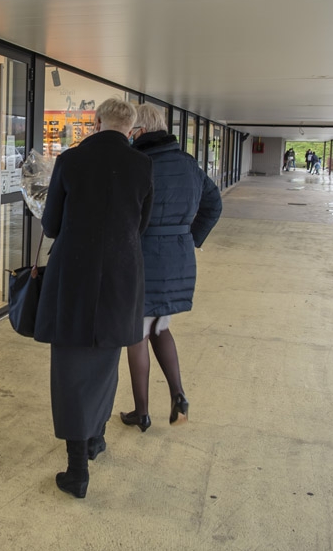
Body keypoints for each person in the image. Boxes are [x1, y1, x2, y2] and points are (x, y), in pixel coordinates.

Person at [34, 98, 155, 499]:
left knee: (70, 368)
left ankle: (77, 471)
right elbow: (141, 225)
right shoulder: (143, 165)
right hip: (121, 276)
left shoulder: (71, 161)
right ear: (131, 128)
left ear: (97, 121)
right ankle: (95, 439)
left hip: (74, 276)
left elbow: (52, 225)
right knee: (106, 362)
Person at [120, 104, 222, 433]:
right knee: (159, 326)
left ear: (141, 130)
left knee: (137, 332)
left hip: (143, 255)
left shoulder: (138, 164)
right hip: (178, 258)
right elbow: (214, 203)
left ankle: (142, 412)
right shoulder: (188, 163)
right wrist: (191, 238)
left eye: (132, 129)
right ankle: (178, 394)